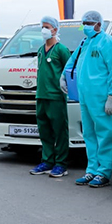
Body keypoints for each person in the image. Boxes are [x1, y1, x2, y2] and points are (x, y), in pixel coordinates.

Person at [61, 10, 112, 188]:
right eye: (84, 23)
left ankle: (103, 172)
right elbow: (72, 61)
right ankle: (92, 170)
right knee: (89, 133)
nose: (85, 26)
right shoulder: (85, 42)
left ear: (98, 24)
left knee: (105, 134)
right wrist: (63, 77)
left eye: (89, 23)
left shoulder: (108, 42)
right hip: (85, 97)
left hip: (102, 97)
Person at [29, 16, 72, 177]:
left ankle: (61, 164)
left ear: (55, 29)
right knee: (44, 130)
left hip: (56, 96)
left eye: (47, 27)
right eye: (42, 27)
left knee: (60, 131)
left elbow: (69, 72)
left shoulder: (61, 50)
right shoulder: (41, 50)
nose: (44, 30)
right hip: (41, 95)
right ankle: (47, 161)